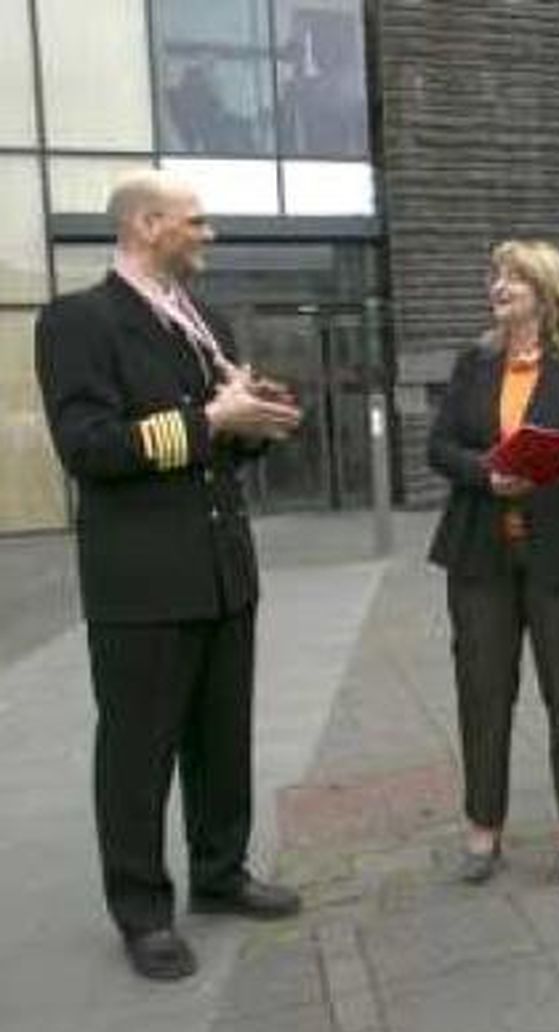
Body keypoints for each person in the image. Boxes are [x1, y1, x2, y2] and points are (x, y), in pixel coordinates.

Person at [35, 170, 305, 981]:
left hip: (223, 573)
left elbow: (219, 445)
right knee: (139, 752)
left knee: (223, 739)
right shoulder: (80, 322)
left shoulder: (203, 322)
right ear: (148, 225)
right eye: (198, 221)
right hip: (143, 584)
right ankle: (143, 911)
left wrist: (255, 423)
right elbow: (89, 448)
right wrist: (208, 420)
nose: (209, 234)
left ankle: (220, 874)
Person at [428, 240, 559, 885]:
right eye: (495, 276)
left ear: (545, 292)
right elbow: (439, 446)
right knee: (481, 694)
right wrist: (485, 473)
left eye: (513, 278)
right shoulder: (473, 363)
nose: (499, 286)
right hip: (479, 555)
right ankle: (483, 829)